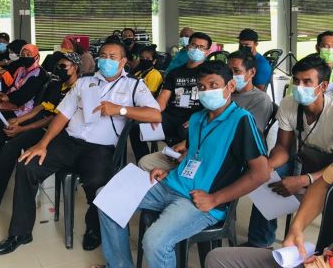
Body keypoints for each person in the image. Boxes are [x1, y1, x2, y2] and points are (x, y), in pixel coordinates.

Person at [206, 69, 333, 268]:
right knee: (217, 258)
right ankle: (260, 238)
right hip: (327, 257)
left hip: (323, 166)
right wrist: (296, 228)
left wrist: (306, 180)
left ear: (323, 86)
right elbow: (315, 175)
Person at [0, 39, 161, 255]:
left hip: (100, 148)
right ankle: (20, 233)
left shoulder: (134, 86)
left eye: (112, 57)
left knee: (98, 182)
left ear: (123, 61)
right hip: (68, 142)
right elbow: (62, 115)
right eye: (103, 56)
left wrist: (121, 110)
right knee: (27, 166)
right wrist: (42, 144)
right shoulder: (83, 82)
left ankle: (94, 227)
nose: (106, 61)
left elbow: (155, 115)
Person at [96, 61, 270, 268]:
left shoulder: (241, 120)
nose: (207, 91)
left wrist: (215, 198)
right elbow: (196, 155)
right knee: (105, 198)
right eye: (202, 87)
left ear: (230, 86)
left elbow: (261, 173)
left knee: (154, 243)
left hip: (199, 200)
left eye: (214, 85)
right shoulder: (197, 118)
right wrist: (170, 171)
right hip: (171, 184)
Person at [245, 54, 333, 249]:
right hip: (307, 160)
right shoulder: (288, 104)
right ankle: (259, 242)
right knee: (265, 177)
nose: (300, 87)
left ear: (323, 86)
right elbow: (282, 147)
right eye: (296, 80)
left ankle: (327, 250)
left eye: (307, 81)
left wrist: (305, 180)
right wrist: (268, 166)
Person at [0, 52, 81, 221]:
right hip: (38, 122)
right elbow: (40, 108)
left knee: (9, 149)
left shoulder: (79, 89)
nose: (59, 69)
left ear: (75, 68)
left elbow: (53, 118)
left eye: (63, 66)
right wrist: (18, 121)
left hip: (53, 132)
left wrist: (22, 129)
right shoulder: (57, 85)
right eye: (58, 66)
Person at [138, 50, 273, 172]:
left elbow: (244, 138)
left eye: (236, 71)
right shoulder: (218, 97)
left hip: (220, 154)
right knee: (145, 162)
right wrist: (190, 142)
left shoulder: (257, 101)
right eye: (229, 70)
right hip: (197, 148)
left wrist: (192, 147)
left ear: (252, 72)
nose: (231, 75)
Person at [156, 32, 211, 142]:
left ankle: (178, 152)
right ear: (187, 47)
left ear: (207, 52)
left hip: (195, 117)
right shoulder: (174, 73)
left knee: (185, 132)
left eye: (201, 47)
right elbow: (162, 100)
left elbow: (214, 102)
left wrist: (200, 118)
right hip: (172, 116)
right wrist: (153, 114)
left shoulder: (210, 73)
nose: (196, 49)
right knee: (138, 126)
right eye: (194, 45)